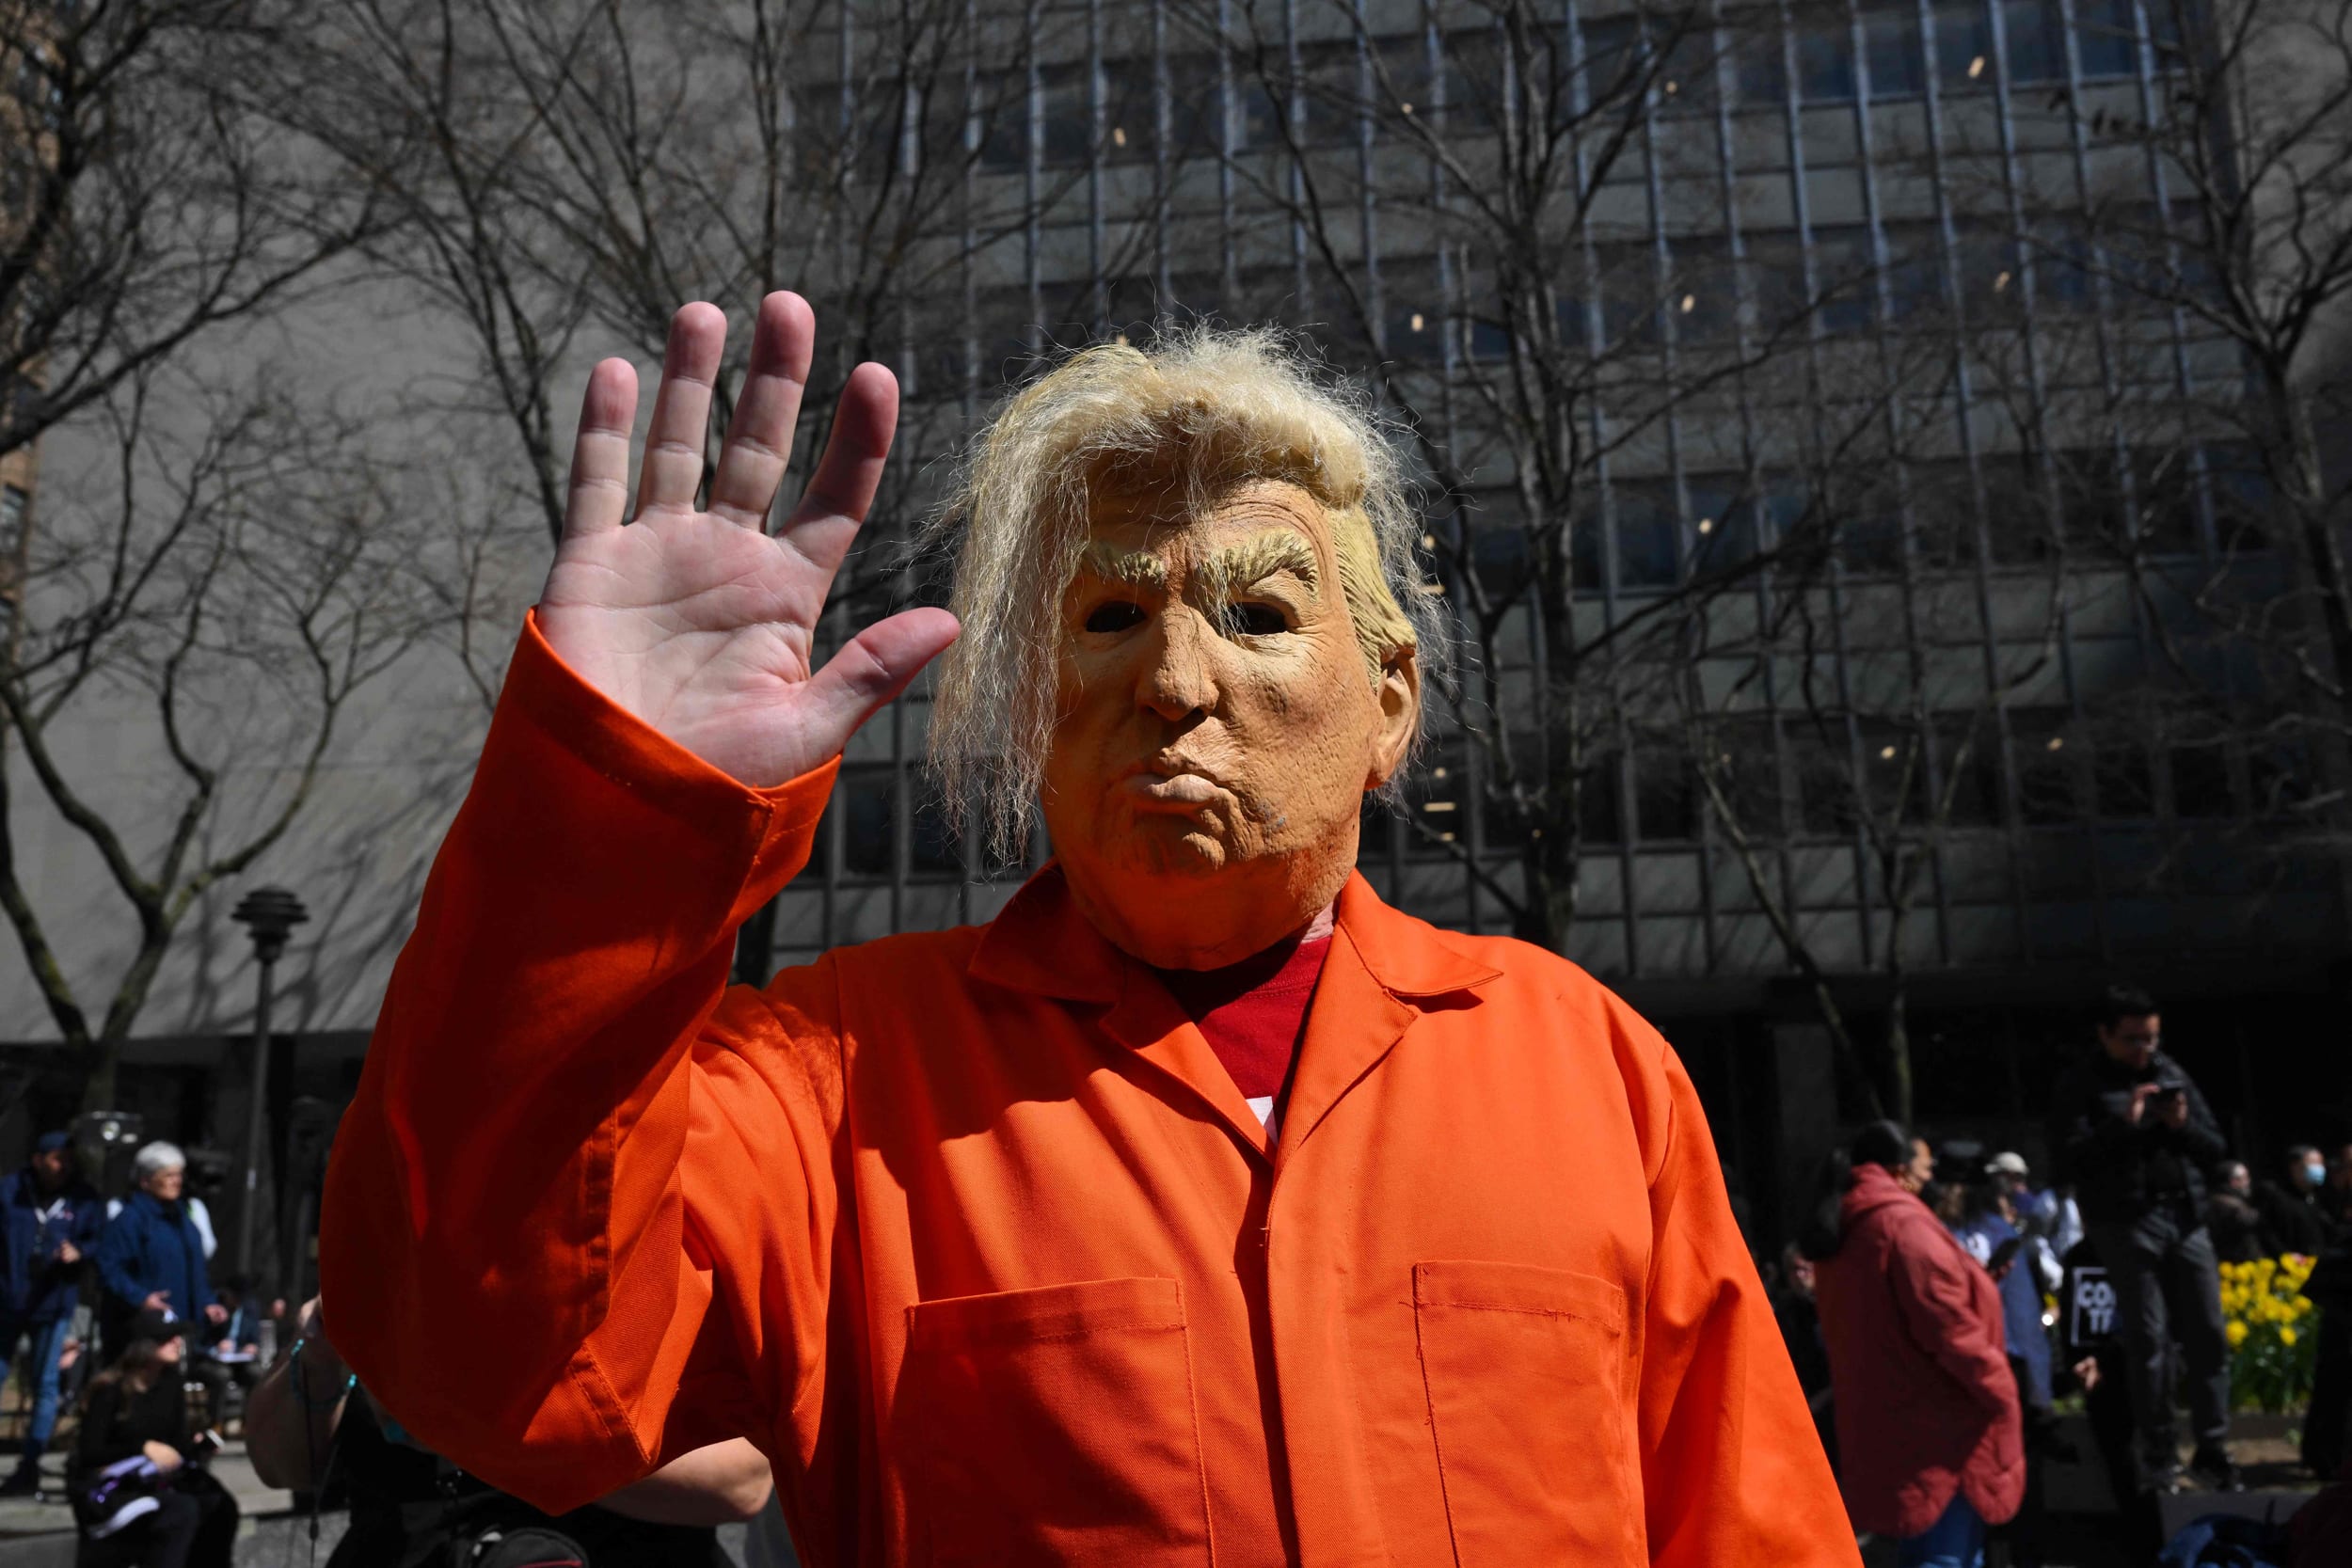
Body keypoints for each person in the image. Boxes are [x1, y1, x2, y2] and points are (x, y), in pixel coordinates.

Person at [317, 306, 1854, 1566]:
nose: (1176, 678)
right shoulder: (835, 1077)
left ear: (1391, 700)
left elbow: (1752, 1525)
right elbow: (485, 1355)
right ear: (1029, 713)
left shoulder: (1588, 1068)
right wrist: (612, 813)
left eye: (1258, 616)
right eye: (1108, 620)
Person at [244, 1298, 771, 1566]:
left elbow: (740, 1482)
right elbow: (282, 1467)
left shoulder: (650, 1266)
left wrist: (501, 1438)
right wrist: (316, 1356)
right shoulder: (395, 1262)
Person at [1805, 1121, 2024, 1568]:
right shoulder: (1903, 1226)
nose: (1932, 1175)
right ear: (1901, 1170)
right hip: (1939, 1434)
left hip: (1890, 1423)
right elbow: (1948, 1331)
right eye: (1925, 1166)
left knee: (1924, 1552)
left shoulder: (1851, 1223)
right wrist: (2003, 1391)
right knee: (1946, 1556)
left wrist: (1974, 1282)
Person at [2047, 984, 2236, 1493]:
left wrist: (2180, 1126)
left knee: (2208, 1334)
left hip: (2185, 1216)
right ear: (2104, 1034)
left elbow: (2215, 1148)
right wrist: (2124, 1126)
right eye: (2132, 1039)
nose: (2143, 1050)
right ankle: (2159, 1454)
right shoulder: (2081, 1084)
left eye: (2151, 1038)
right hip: (2126, 1223)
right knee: (2148, 1340)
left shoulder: (2171, 1074)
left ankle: (2213, 1448)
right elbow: (2067, 1161)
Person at [68, 1307, 237, 1568]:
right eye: (167, 1338)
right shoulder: (110, 1389)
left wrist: (199, 1445)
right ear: (144, 1345)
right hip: (116, 1488)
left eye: (177, 1336)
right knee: (181, 1511)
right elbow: (90, 1453)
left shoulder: (170, 1384)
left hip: (158, 1480)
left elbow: (177, 1444)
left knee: (220, 1504)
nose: (177, 1342)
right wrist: (142, 1448)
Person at [0, 1130, 106, 1495]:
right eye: (56, 1158)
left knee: (46, 1384)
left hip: (54, 1299)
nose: (63, 1167)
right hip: (7, 1299)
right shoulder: (10, 1191)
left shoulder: (83, 1197)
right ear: (38, 1158)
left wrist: (79, 1252)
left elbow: (97, 1240)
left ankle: (29, 1463)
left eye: (68, 1159)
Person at [2255, 1145, 2335, 1257]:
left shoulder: (2314, 1197)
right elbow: (2266, 1232)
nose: (2320, 1168)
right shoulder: (2276, 1196)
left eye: (2321, 1164)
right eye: (2314, 1163)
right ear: (2295, 1166)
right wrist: (2283, 1253)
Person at [2208, 1161, 2268, 1265]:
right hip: (2239, 1266)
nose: (2248, 1181)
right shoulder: (2228, 1205)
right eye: (2243, 1178)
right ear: (2233, 1181)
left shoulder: (2232, 1201)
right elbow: (2251, 1221)